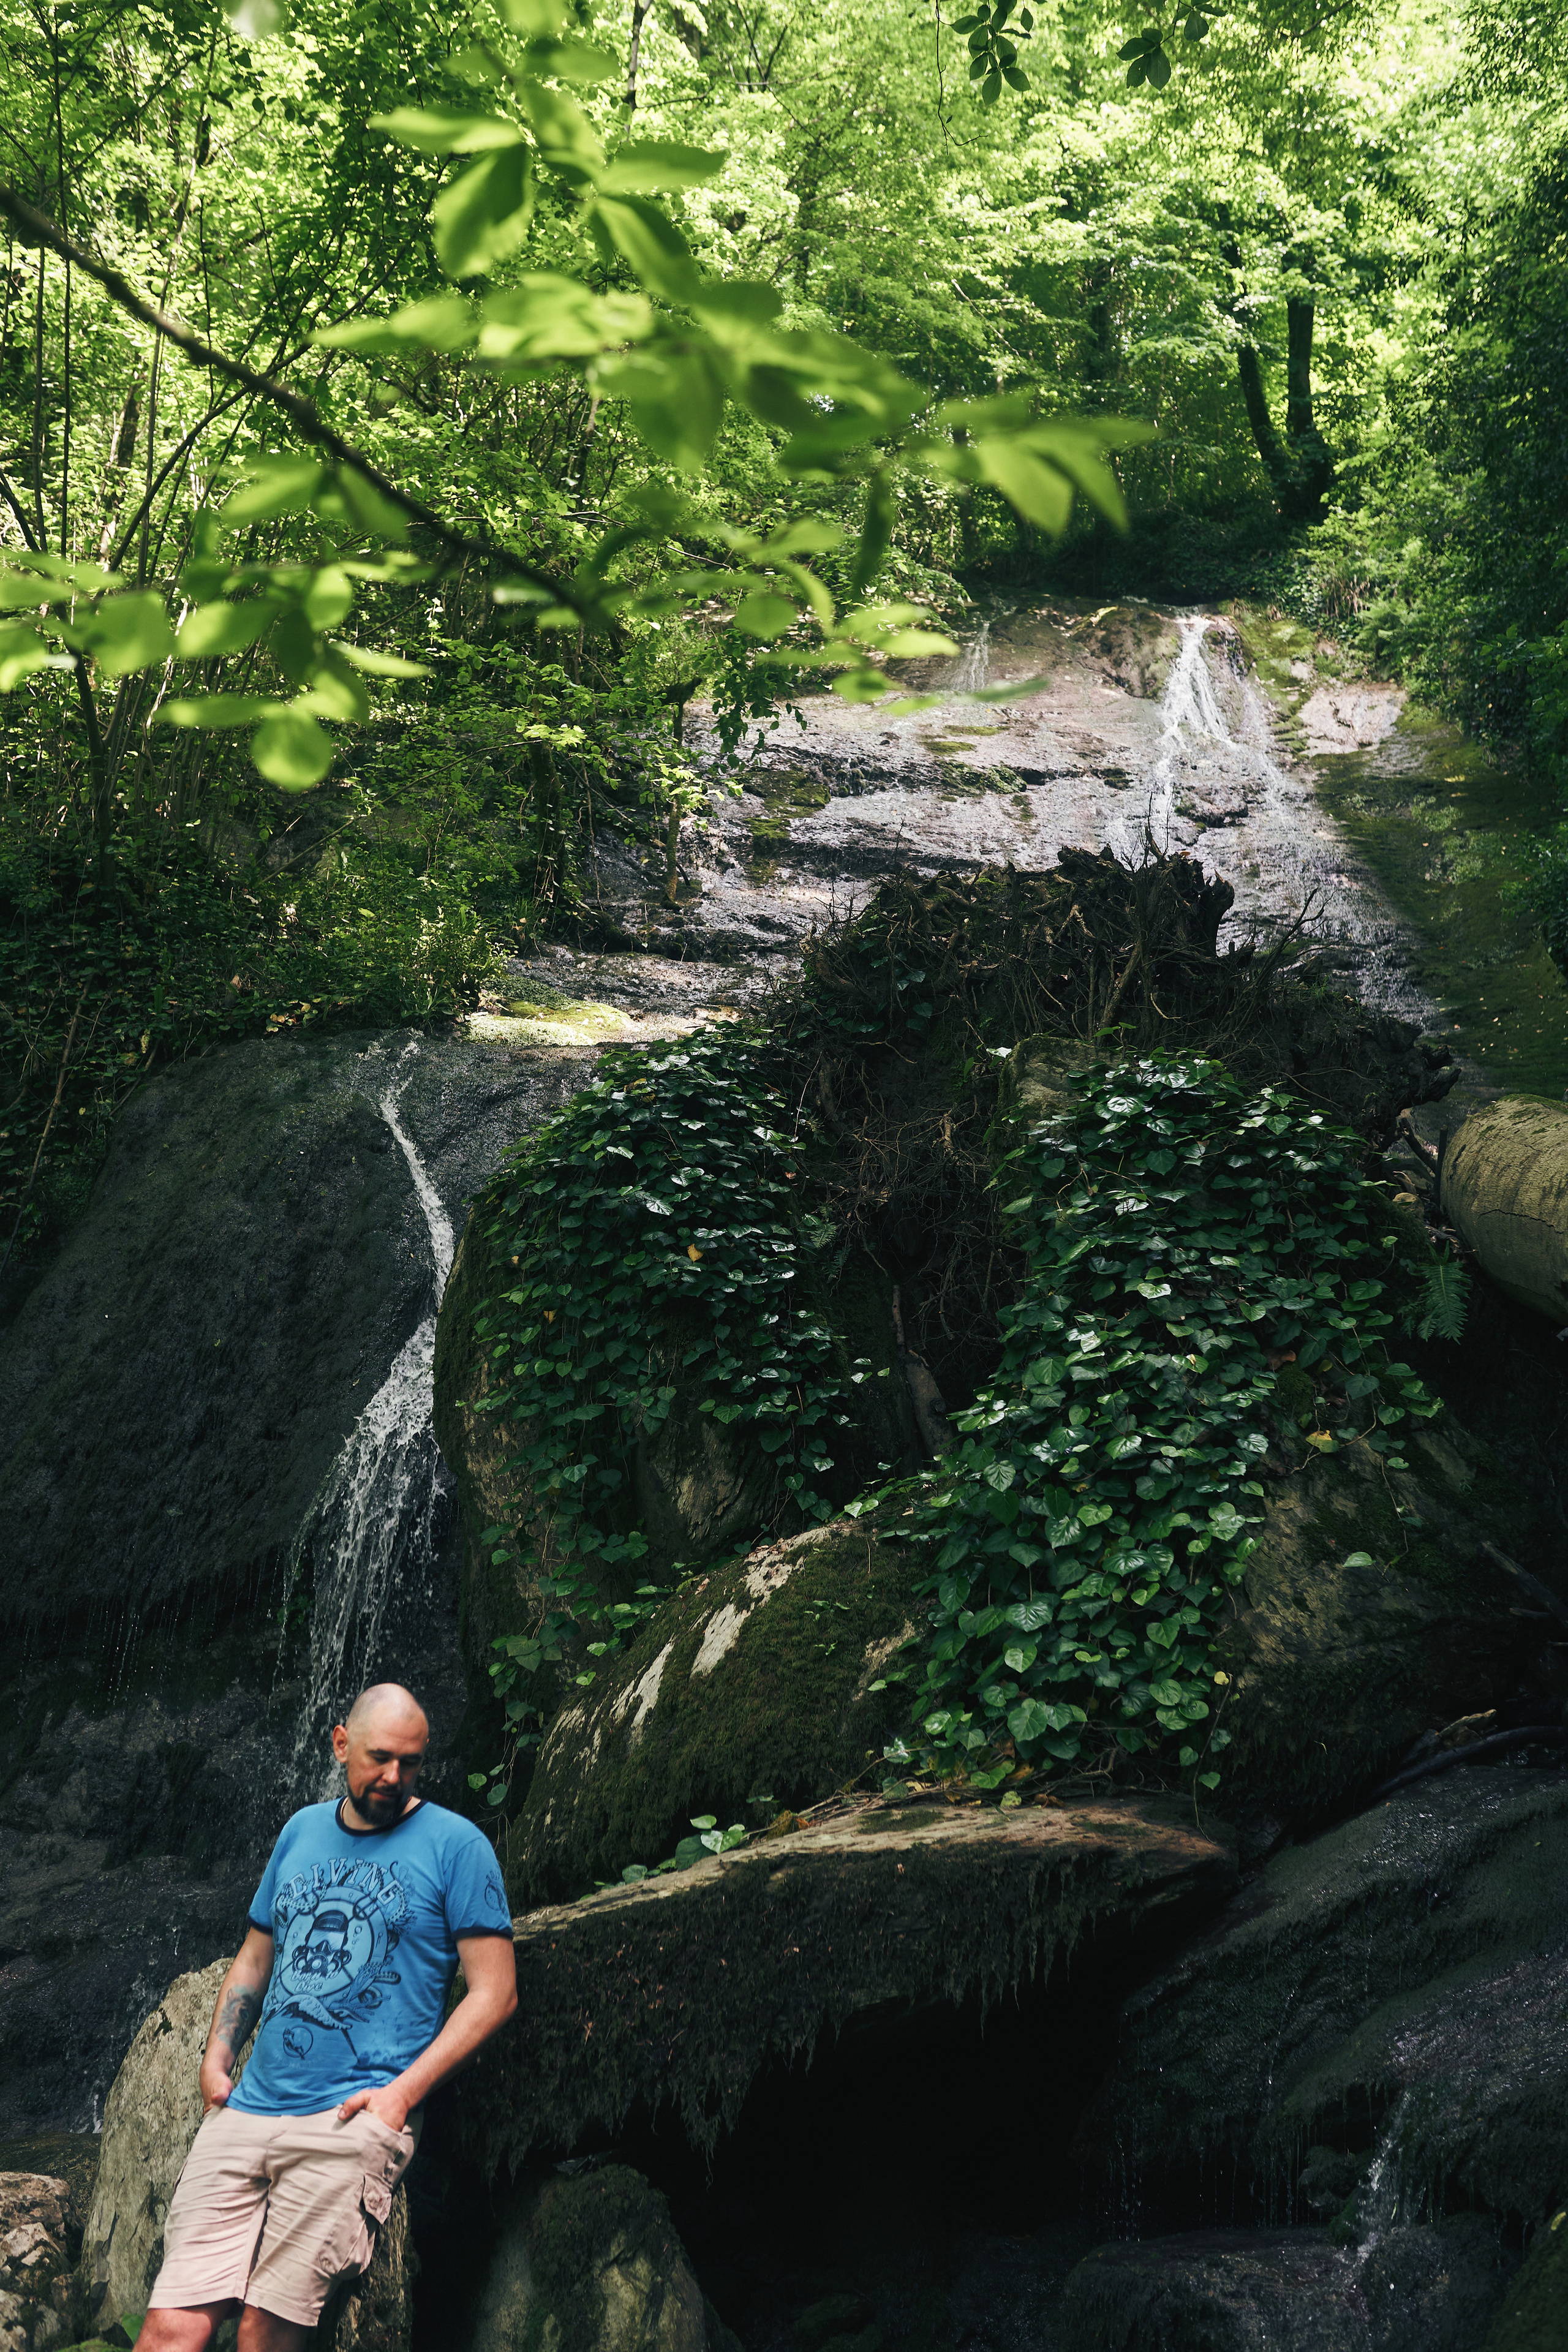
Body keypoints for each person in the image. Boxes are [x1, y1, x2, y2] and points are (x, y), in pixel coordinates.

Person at [134, 1684, 518, 2352]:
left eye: (411, 1762)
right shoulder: (301, 1831)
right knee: (170, 2328)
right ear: (340, 1744)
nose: (393, 1777)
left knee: (265, 2333)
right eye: (378, 1758)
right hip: (248, 2110)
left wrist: (400, 2096)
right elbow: (256, 1956)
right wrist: (216, 2057)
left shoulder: (458, 1846)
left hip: (349, 2122)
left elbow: (496, 1994)